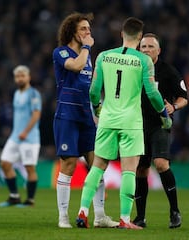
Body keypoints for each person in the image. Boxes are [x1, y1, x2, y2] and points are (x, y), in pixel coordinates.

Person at [76, 17, 173, 230]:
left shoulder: (103, 56)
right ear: (139, 38)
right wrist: (164, 115)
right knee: (129, 170)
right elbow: (153, 94)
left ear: (122, 34)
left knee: (97, 167)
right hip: (131, 122)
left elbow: (93, 91)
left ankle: (82, 212)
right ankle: (125, 219)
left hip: (108, 119)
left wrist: (98, 108)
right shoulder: (144, 61)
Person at [52, 12, 118, 228]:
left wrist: (98, 113)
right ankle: (63, 217)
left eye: (89, 29)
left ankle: (100, 216)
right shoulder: (61, 52)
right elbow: (75, 66)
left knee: (96, 165)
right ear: (72, 31)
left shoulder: (87, 56)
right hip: (67, 116)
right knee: (69, 164)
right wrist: (87, 47)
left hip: (86, 118)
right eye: (83, 29)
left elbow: (91, 88)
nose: (88, 33)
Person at [132, 33, 188, 228]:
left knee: (161, 164)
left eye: (150, 47)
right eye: (143, 47)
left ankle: (175, 211)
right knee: (140, 169)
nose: (146, 50)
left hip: (160, 124)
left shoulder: (168, 71)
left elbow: (183, 97)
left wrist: (174, 107)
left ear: (158, 51)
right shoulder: (134, 69)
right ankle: (140, 217)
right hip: (137, 125)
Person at [0, 65, 42, 207]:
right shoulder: (17, 93)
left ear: (28, 77)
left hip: (29, 138)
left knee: (29, 167)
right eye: (17, 76)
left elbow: (36, 115)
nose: (19, 78)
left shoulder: (33, 94)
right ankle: (14, 196)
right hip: (15, 137)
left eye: (22, 75)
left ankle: (30, 200)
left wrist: (25, 131)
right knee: (5, 163)